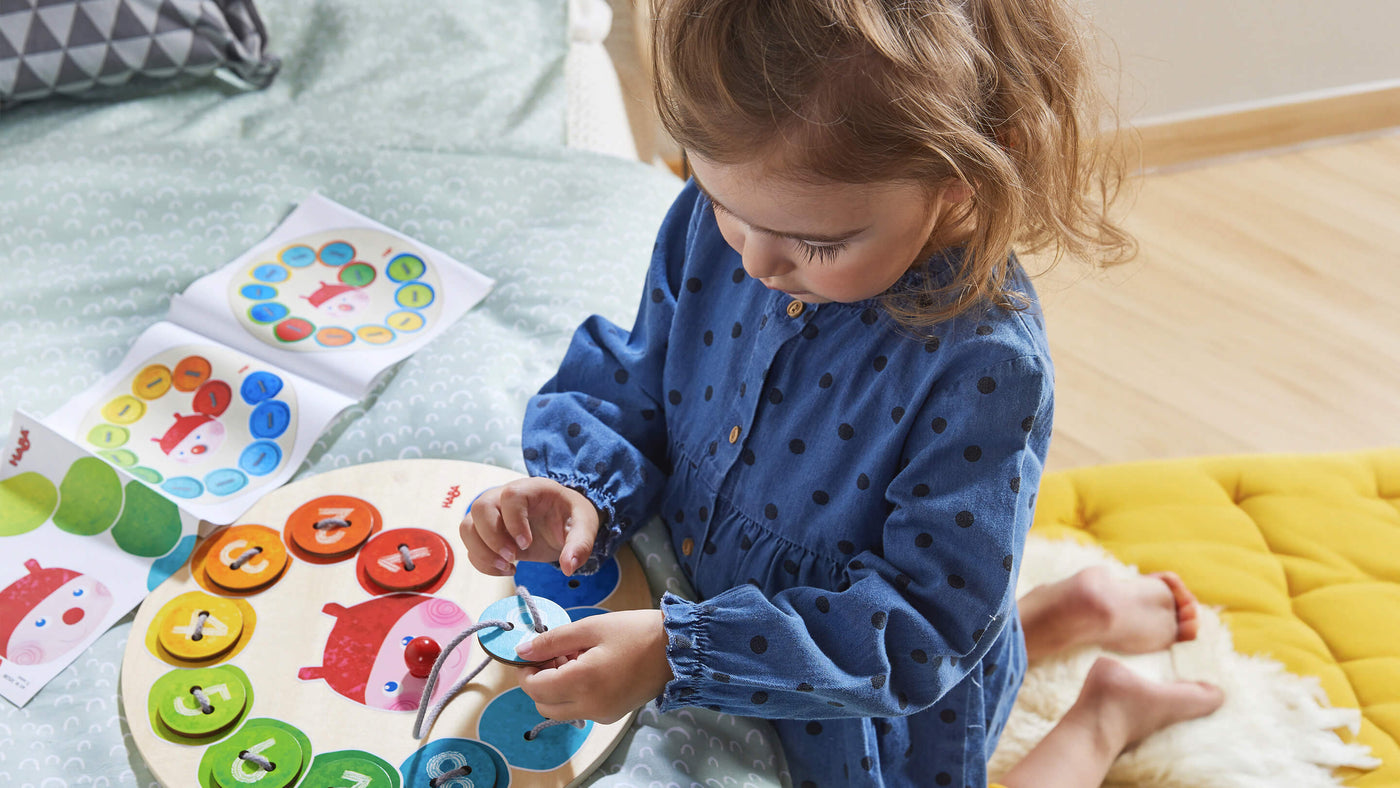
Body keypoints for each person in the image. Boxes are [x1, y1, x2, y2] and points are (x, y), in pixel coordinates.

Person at [460, 0, 1220, 785]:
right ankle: (1064, 613)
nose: (754, 260)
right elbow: (636, 377)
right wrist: (579, 490)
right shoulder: (736, 218)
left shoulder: (984, 367)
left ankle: (1106, 712)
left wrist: (679, 651)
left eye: (817, 243)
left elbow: (927, 627)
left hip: (856, 713)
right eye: (720, 201)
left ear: (962, 180)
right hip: (694, 613)